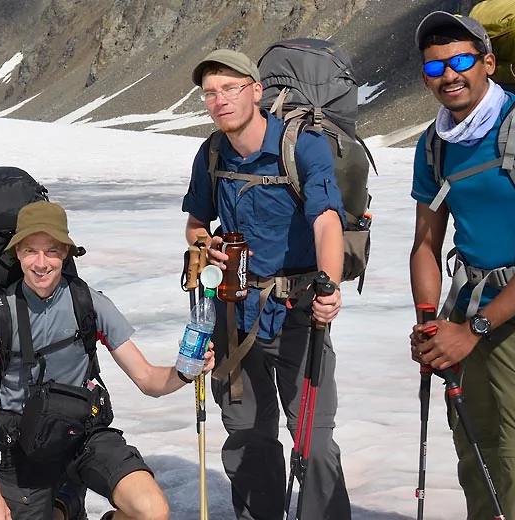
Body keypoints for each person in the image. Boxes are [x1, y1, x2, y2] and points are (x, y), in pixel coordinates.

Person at [408, 12, 515, 520]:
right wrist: (429, 321)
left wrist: (475, 329)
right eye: (434, 66)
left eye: (461, 60)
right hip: (464, 316)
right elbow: (425, 244)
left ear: (488, 63)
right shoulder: (434, 144)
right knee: (477, 461)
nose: (448, 74)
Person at [180, 48, 349, 520]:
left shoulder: (302, 146)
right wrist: (204, 243)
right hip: (235, 315)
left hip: (298, 313)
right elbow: (196, 221)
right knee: (250, 440)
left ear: (255, 90)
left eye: (230, 88)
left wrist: (329, 286)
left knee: (313, 443)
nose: (219, 100)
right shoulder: (212, 152)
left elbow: (327, 220)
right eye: (210, 93)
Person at [0, 201, 210, 520]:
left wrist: (185, 372)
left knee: (152, 511)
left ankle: (68, 502)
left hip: (84, 434)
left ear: (65, 252)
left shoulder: (89, 303)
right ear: (18, 254)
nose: (41, 263)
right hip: (25, 448)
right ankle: (63, 506)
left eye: (51, 250)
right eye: (31, 251)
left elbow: (148, 380)